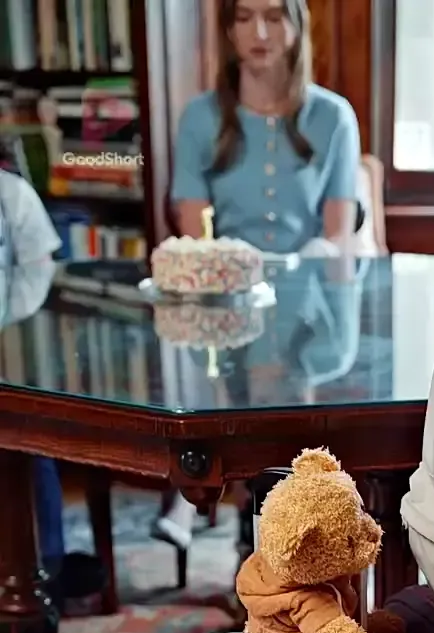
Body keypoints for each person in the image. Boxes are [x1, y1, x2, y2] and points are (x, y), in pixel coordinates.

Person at [154, 0, 363, 551]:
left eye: (274, 16)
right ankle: (209, 490)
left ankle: (268, 528)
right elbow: (194, 232)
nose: (260, 32)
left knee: (300, 376)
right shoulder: (200, 117)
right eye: (244, 17)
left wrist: (301, 268)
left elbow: (339, 234)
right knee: (212, 369)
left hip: (306, 298)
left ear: (297, 26)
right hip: (225, 301)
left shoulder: (333, 117)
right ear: (228, 29)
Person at [0, 144, 105, 608]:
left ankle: (47, 567)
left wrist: (8, 327)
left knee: (27, 442)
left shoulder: (11, 196)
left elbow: (37, 276)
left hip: (7, 349)